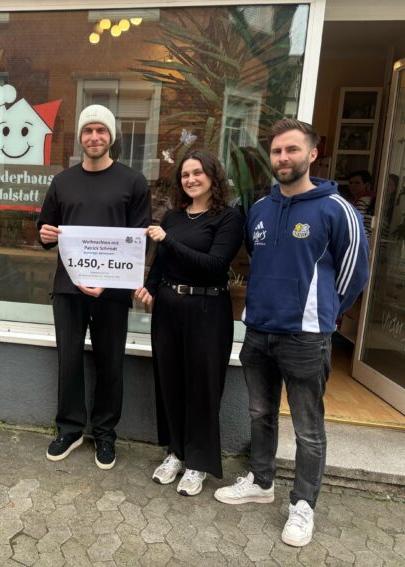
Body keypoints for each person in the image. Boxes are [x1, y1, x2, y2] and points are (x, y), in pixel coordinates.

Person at [214, 119, 369, 547]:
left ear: (312, 154)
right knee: (260, 413)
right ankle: (262, 482)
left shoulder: (337, 210)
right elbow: (254, 261)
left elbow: (355, 273)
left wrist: (326, 316)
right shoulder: (261, 209)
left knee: (307, 427)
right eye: (278, 151)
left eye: (292, 150)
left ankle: (303, 505)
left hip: (305, 337)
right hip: (259, 331)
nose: (283, 158)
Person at [38, 105, 151, 469]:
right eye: (88, 131)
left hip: (113, 291)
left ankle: (105, 434)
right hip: (69, 289)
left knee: (110, 363)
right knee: (68, 361)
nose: (94, 137)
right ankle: (69, 430)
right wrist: (44, 234)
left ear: (111, 137)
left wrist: (109, 280)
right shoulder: (62, 182)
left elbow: (139, 240)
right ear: (81, 138)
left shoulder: (133, 182)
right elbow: (46, 231)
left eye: (101, 130)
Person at [134, 150, 243, 496]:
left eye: (198, 173)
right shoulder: (173, 217)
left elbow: (213, 265)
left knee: (203, 387)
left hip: (207, 311)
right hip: (168, 309)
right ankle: (176, 452)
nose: (191, 179)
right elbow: (162, 263)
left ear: (213, 177)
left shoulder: (228, 218)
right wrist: (150, 288)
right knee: (170, 382)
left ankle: (199, 463)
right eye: (185, 175)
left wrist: (169, 240)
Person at [347, 170, 373, 237]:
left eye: (357, 183)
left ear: (366, 185)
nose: (353, 186)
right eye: (351, 183)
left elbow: (357, 223)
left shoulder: (365, 200)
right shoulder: (351, 199)